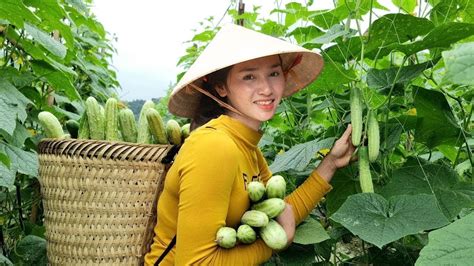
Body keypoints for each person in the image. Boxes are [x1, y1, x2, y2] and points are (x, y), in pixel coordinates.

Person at [144, 24, 355, 265]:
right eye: (249, 76)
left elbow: (281, 214)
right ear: (221, 87)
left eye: (274, 73)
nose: (266, 88)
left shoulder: (246, 147)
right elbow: (196, 263)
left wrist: (331, 163)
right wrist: (274, 245)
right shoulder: (214, 146)